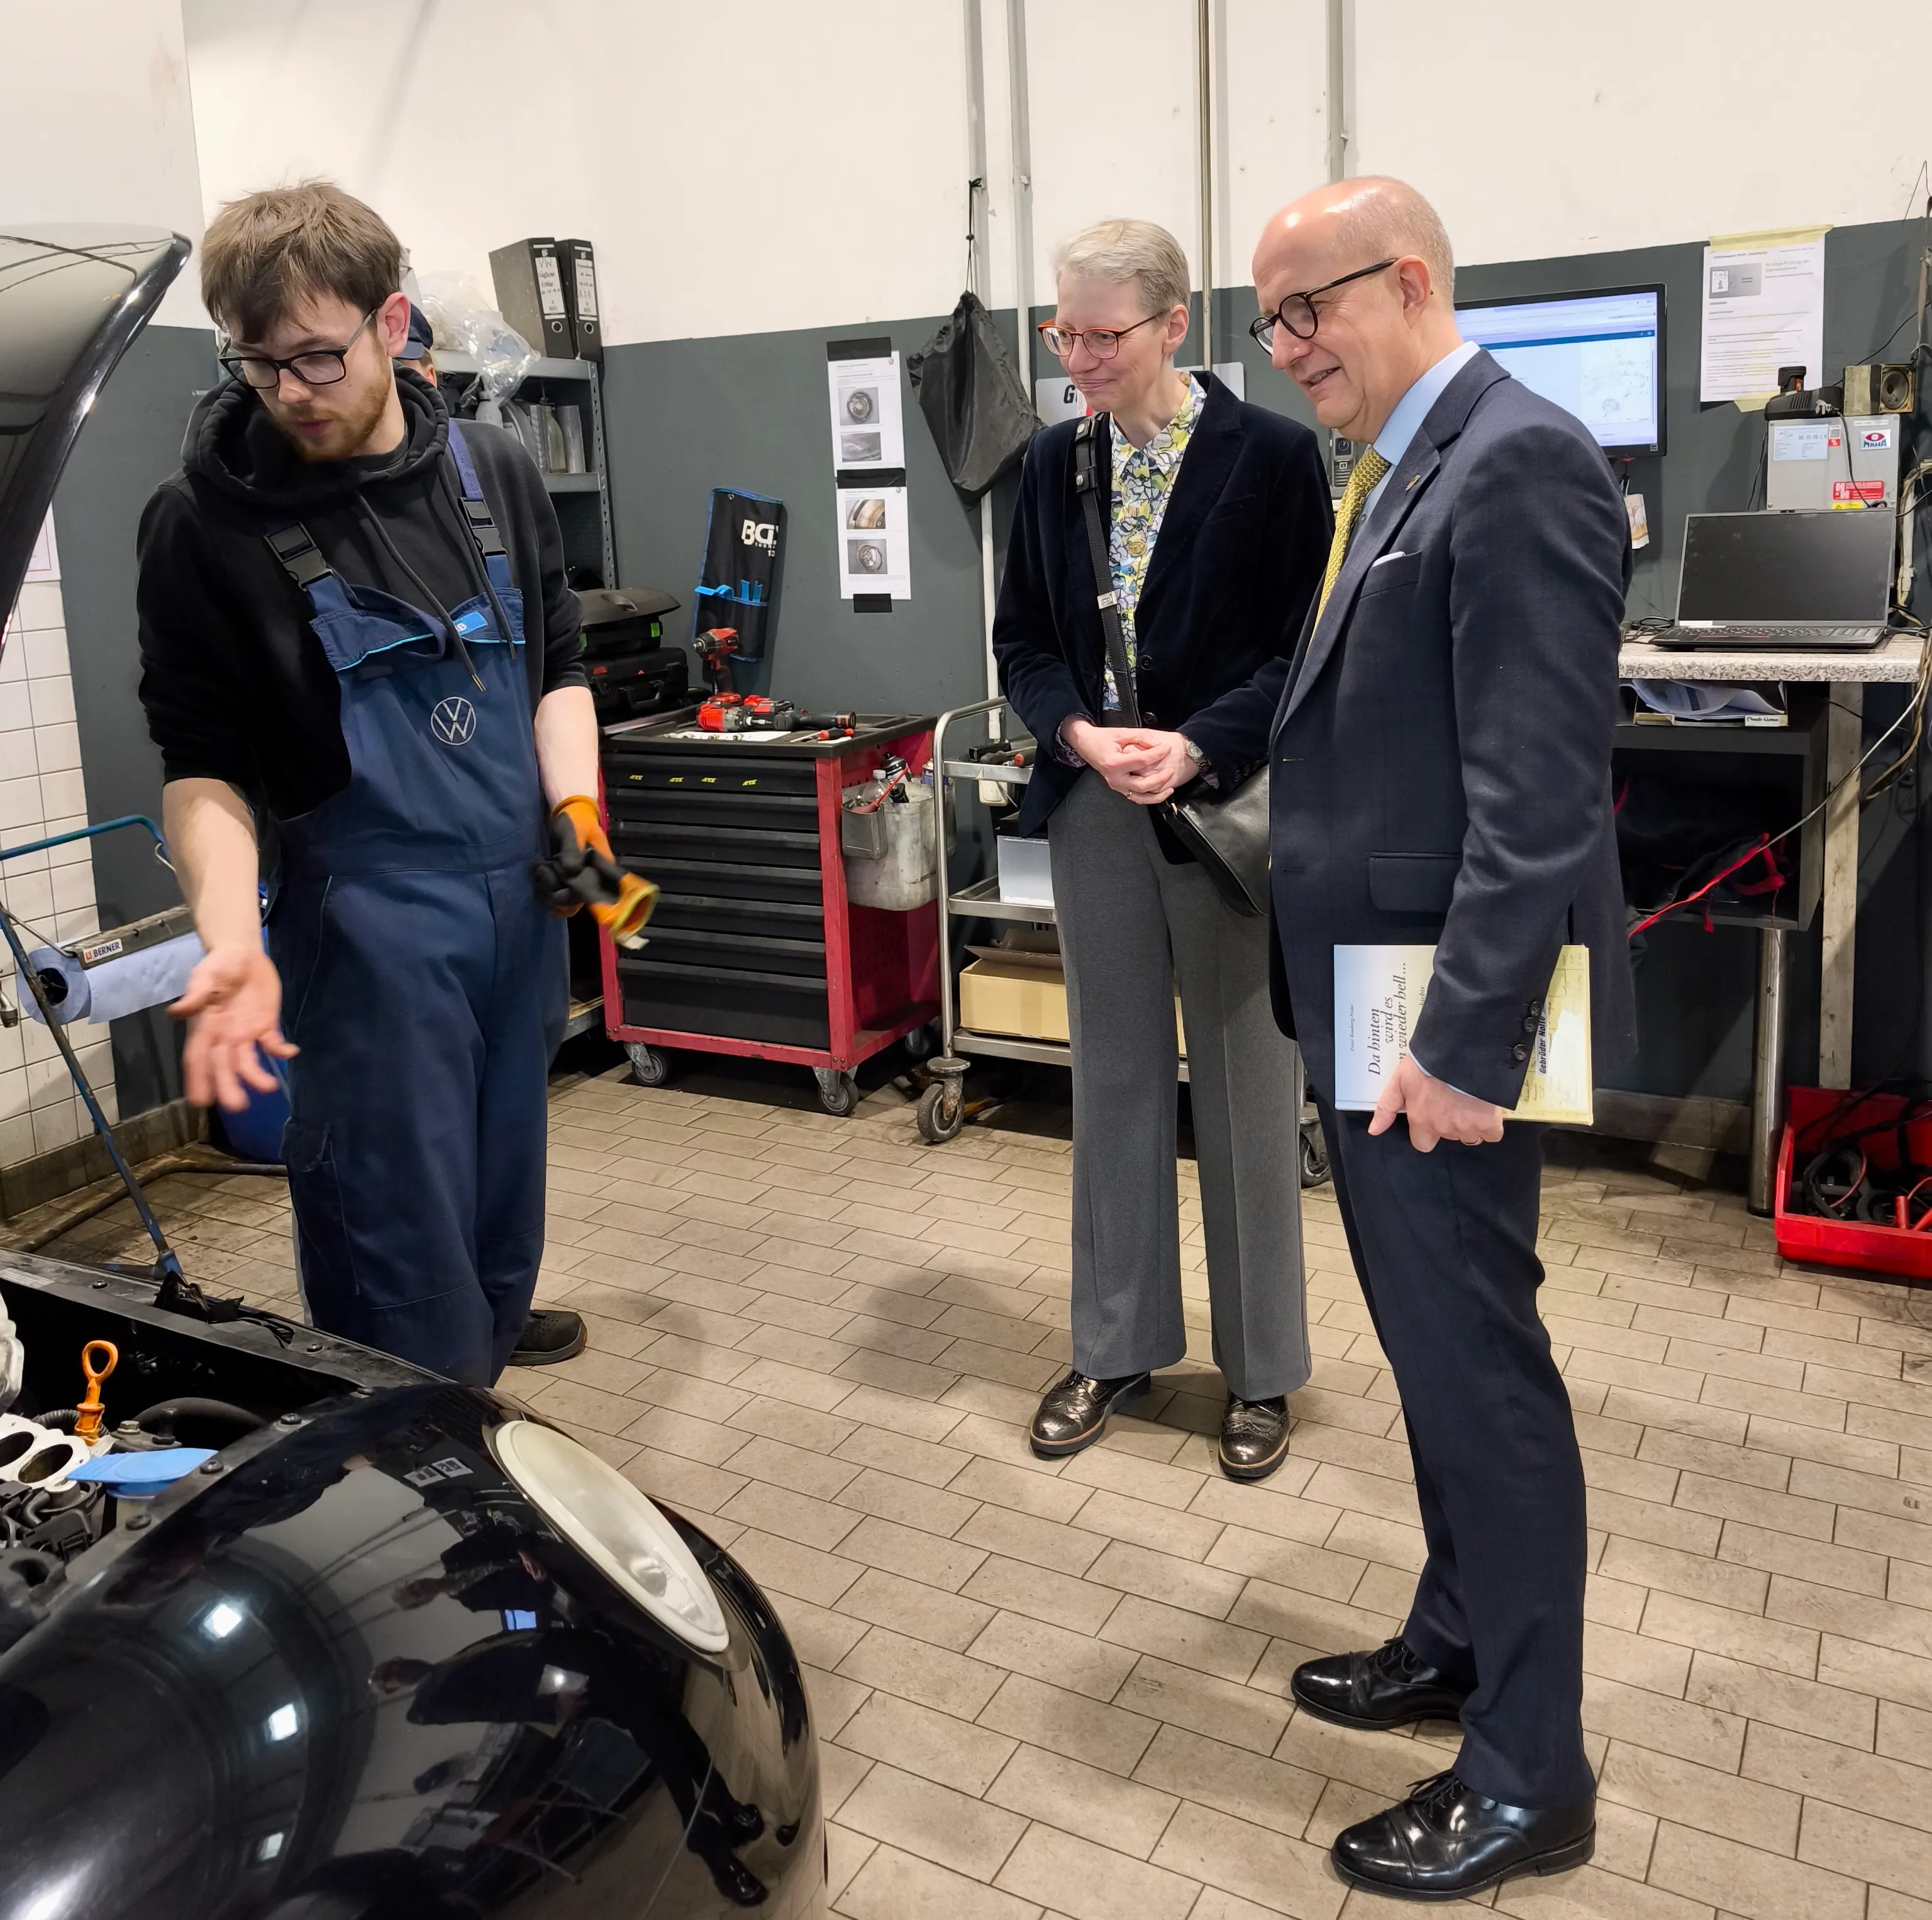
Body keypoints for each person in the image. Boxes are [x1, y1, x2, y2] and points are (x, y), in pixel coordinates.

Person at [1186, 179, 1635, 1899]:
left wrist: (1462, 1043)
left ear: (1415, 280)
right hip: (1381, 1002)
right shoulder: (1395, 472)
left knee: (1483, 1375)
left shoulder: (1515, 462)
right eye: (1272, 319)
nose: (1289, 347)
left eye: (1314, 309)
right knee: (1441, 1355)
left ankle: (1533, 1773)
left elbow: (1536, 807)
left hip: (1441, 1021)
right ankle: (1458, 1631)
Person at [135, 182, 652, 1384]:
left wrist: (575, 813)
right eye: (259, 366)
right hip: (367, 932)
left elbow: (558, 669)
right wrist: (230, 937)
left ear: (394, 321)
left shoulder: (496, 471)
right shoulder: (204, 527)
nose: (292, 392)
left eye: (319, 356)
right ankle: (425, 1497)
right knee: (391, 1256)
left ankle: (483, 1361)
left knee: (500, 1203)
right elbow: (199, 761)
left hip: (517, 910)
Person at [992, 219, 1331, 1480]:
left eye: (1102, 334)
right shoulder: (1050, 466)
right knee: (1116, 1080)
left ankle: (1260, 1372)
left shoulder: (1275, 459)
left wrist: (1194, 746)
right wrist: (1074, 730)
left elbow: (1297, 650)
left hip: (1225, 805)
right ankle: (1115, 1343)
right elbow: (1022, 639)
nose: (1078, 356)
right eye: (1063, 331)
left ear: (1175, 323)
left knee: (1248, 1090)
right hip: (1094, 810)